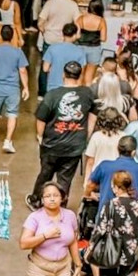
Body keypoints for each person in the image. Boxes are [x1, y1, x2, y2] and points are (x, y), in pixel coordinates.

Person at [31, 61, 95, 208]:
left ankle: (37, 200)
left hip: (51, 145)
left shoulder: (52, 95)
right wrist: (86, 135)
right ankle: (61, 205)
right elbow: (93, 115)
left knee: (45, 174)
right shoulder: (87, 93)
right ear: (80, 76)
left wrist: (40, 137)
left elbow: (41, 118)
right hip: (74, 146)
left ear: (63, 75)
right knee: (65, 179)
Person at [0, 25, 28, 152]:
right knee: (12, 115)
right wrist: (26, 88)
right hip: (13, 89)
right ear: (12, 35)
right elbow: (23, 71)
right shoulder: (18, 52)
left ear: (0, 36)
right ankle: (8, 141)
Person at [88, 136, 138, 213]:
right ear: (134, 152)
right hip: (131, 215)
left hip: (106, 213)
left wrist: (89, 194)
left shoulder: (104, 166)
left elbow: (90, 185)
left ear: (118, 149)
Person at [37, 0, 78, 96]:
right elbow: (77, 23)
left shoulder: (50, 3)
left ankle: (42, 93)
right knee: (63, 65)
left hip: (49, 39)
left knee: (45, 65)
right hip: (64, 40)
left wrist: (44, 30)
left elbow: (40, 21)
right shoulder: (73, 5)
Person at [43, 23, 87, 94]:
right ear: (75, 35)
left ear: (63, 34)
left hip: (53, 87)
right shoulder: (80, 52)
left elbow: (45, 69)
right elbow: (81, 74)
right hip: (70, 88)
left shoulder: (52, 48)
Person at [76, 0, 107, 85]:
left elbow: (77, 35)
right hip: (94, 49)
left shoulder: (80, 18)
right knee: (89, 77)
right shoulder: (101, 21)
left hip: (80, 48)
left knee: (79, 75)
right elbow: (103, 38)